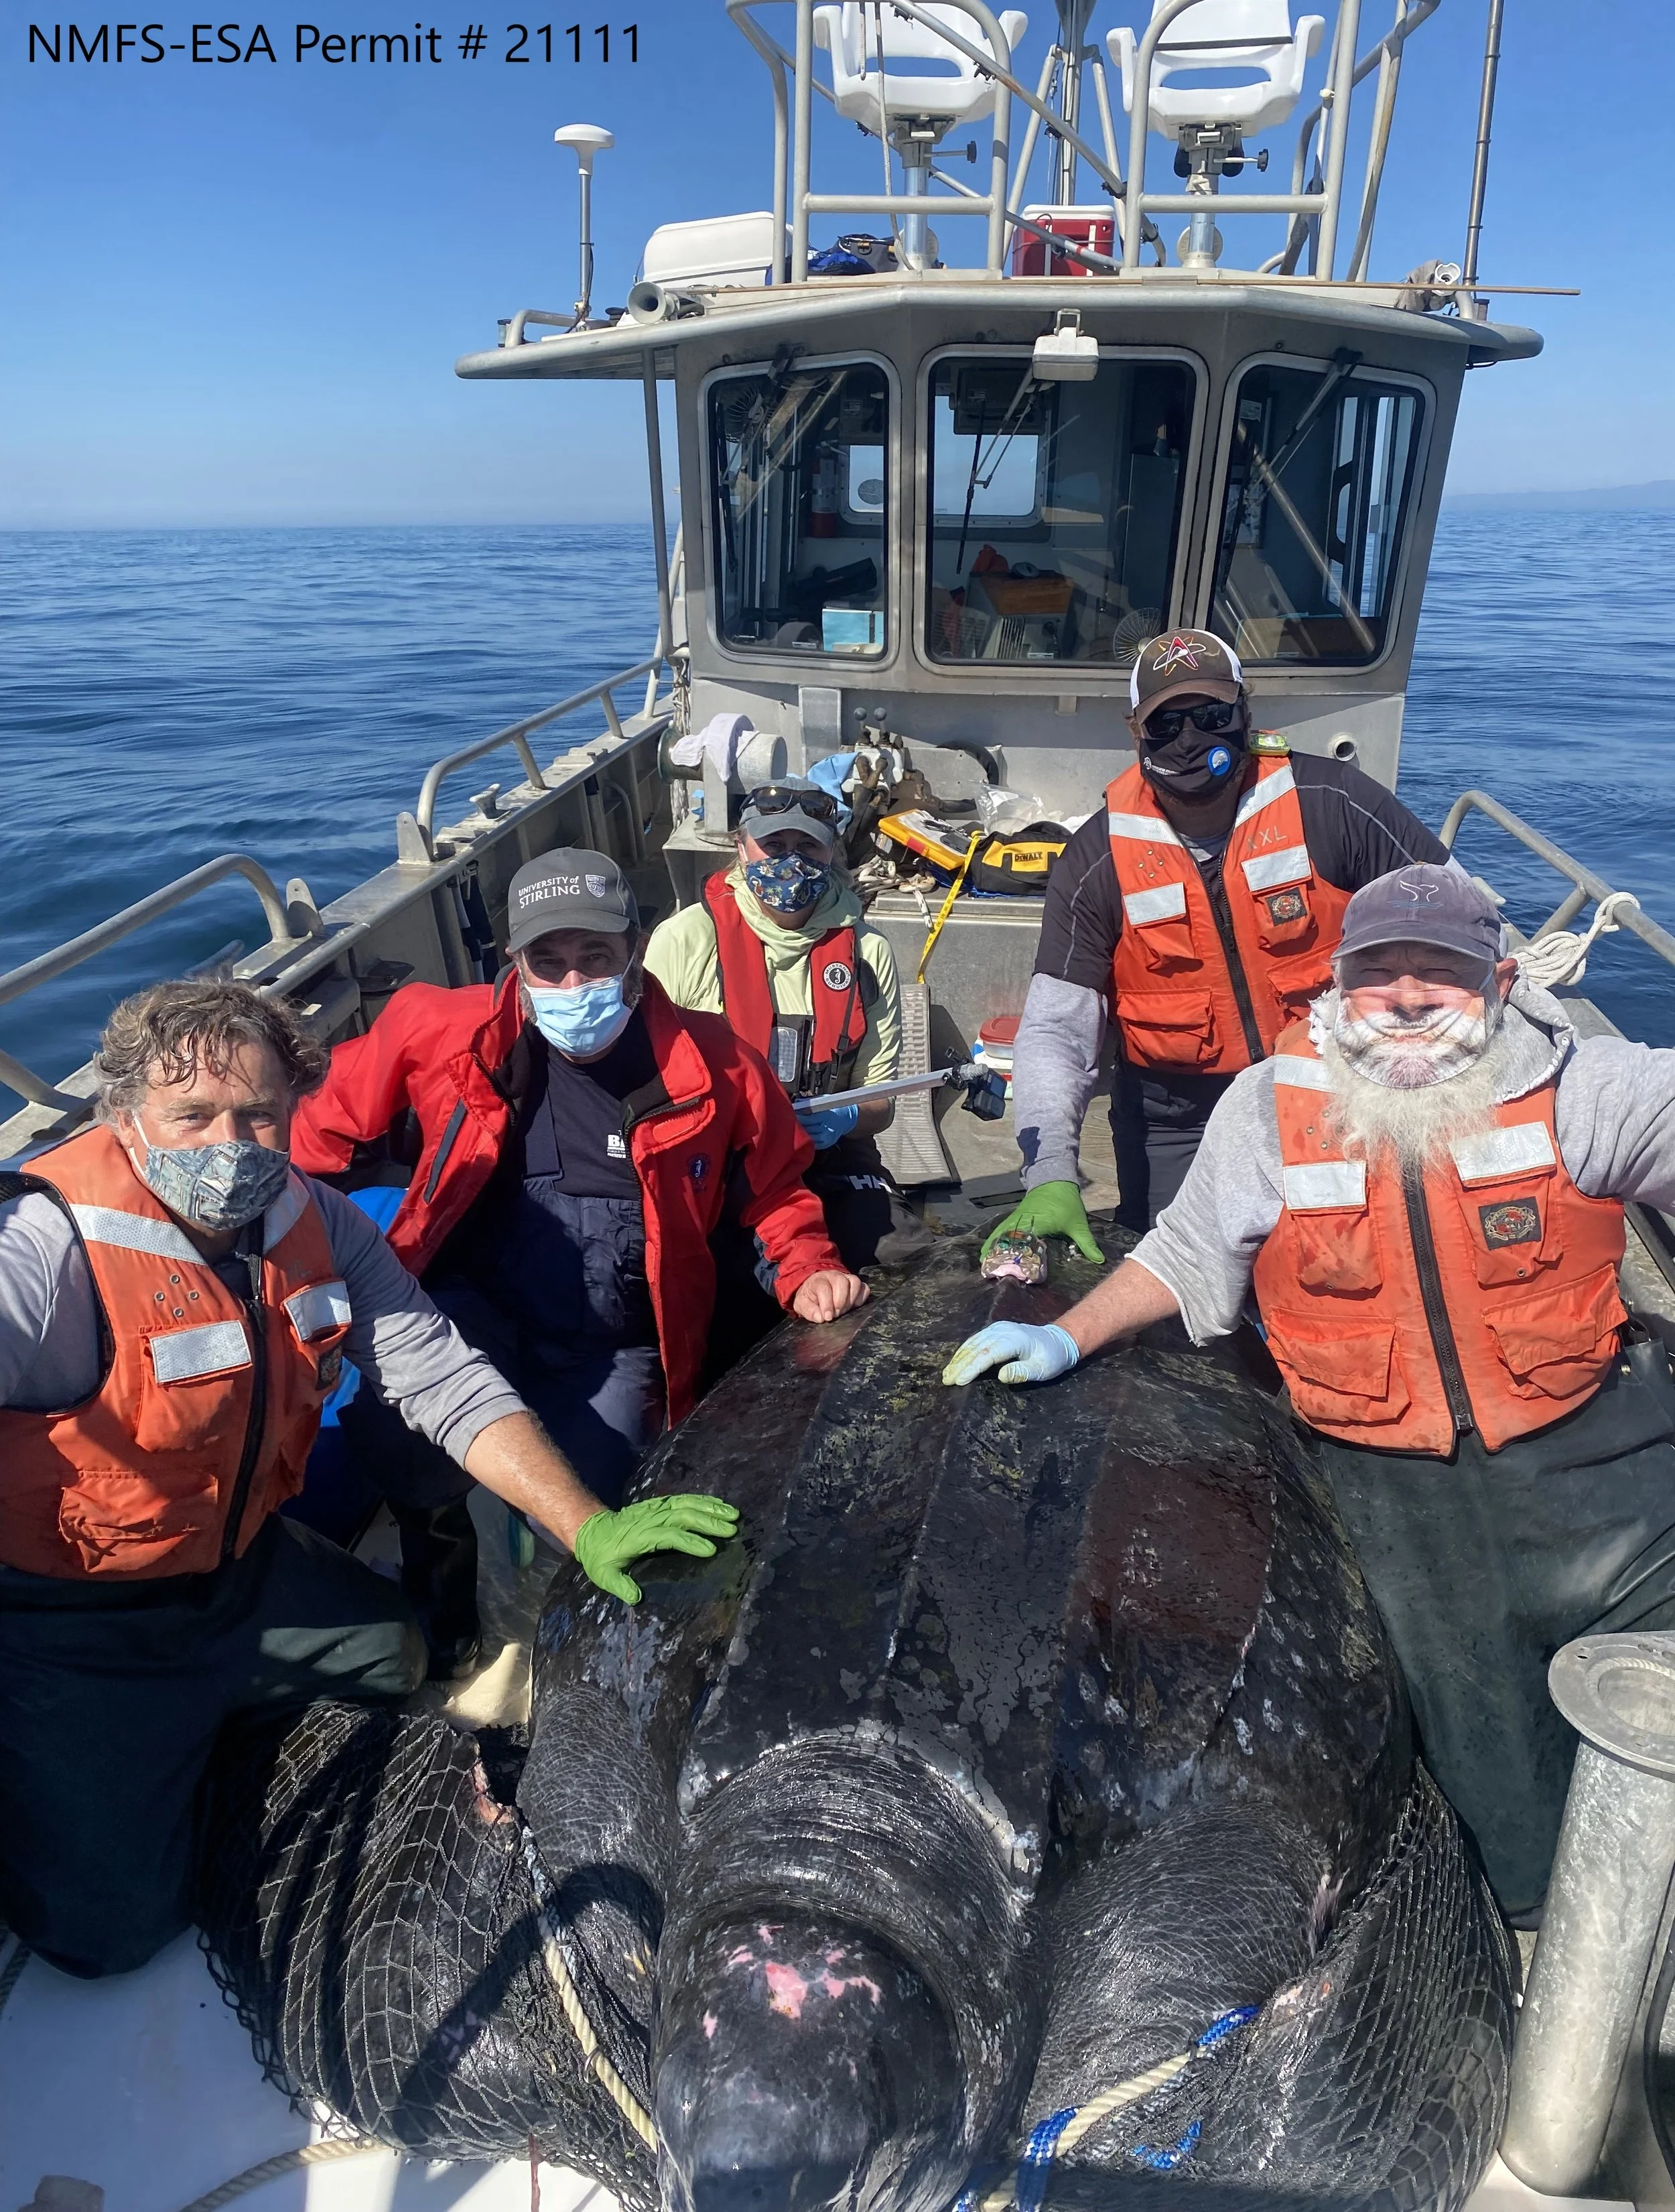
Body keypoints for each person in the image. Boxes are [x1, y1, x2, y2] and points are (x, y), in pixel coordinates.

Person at [945, 862, 1675, 1921]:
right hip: (1399, 1495)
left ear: (1505, 981)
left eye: (1445, 972)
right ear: (1335, 988)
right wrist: (1064, 1334)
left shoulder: (1586, 1088)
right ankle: (1538, 1942)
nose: (1411, 996)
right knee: (1501, 1809)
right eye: (1380, 974)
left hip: (1600, 1459)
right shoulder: (1269, 1106)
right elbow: (1190, 1253)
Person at [0, 978, 736, 1979]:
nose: (233, 1143)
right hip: (75, 1618)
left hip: (243, 1566)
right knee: (109, 1939)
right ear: (124, 1117)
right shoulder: (43, 1246)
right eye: (193, 1116)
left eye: (260, 1114)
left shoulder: (320, 1218)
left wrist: (585, 1521)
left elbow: (443, 1376)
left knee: (395, 1660)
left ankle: (196, 1722)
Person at [291, 848, 866, 1675]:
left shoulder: (719, 1062)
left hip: (617, 1338)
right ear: (514, 964)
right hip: (463, 1306)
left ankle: (535, 1661)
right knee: (414, 1455)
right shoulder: (435, 1029)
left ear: (634, 948)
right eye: (548, 962)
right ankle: (445, 1626)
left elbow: (775, 1187)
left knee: (589, 1507)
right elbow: (311, 1138)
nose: (572, 984)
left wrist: (806, 1263)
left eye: (595, 957)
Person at [984, 626, 1451, 1264]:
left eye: (1211, 716)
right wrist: (1051, 1173)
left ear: (1246, 714)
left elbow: (1458, 931)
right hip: (1177, 1118)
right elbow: (1057, 1031)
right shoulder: (1097, 859)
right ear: (1135, 733)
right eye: (1166, 724)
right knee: (1178, 1286)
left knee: (1355, 1265)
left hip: (1339, 1091)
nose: (1190, 738)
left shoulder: (1334, 803)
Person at [644, 782, 927, 1277]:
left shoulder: (868, 950)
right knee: (714, 1272)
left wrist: (844, 1118)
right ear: (741, 847)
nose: (790, 861)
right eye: (773, 846)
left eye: (808, 846)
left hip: (830, 1154)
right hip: (721, 1154)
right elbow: (649, 1086)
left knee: (899, 1257)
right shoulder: (685, 939)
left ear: (832, 850)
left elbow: (881, 1103)